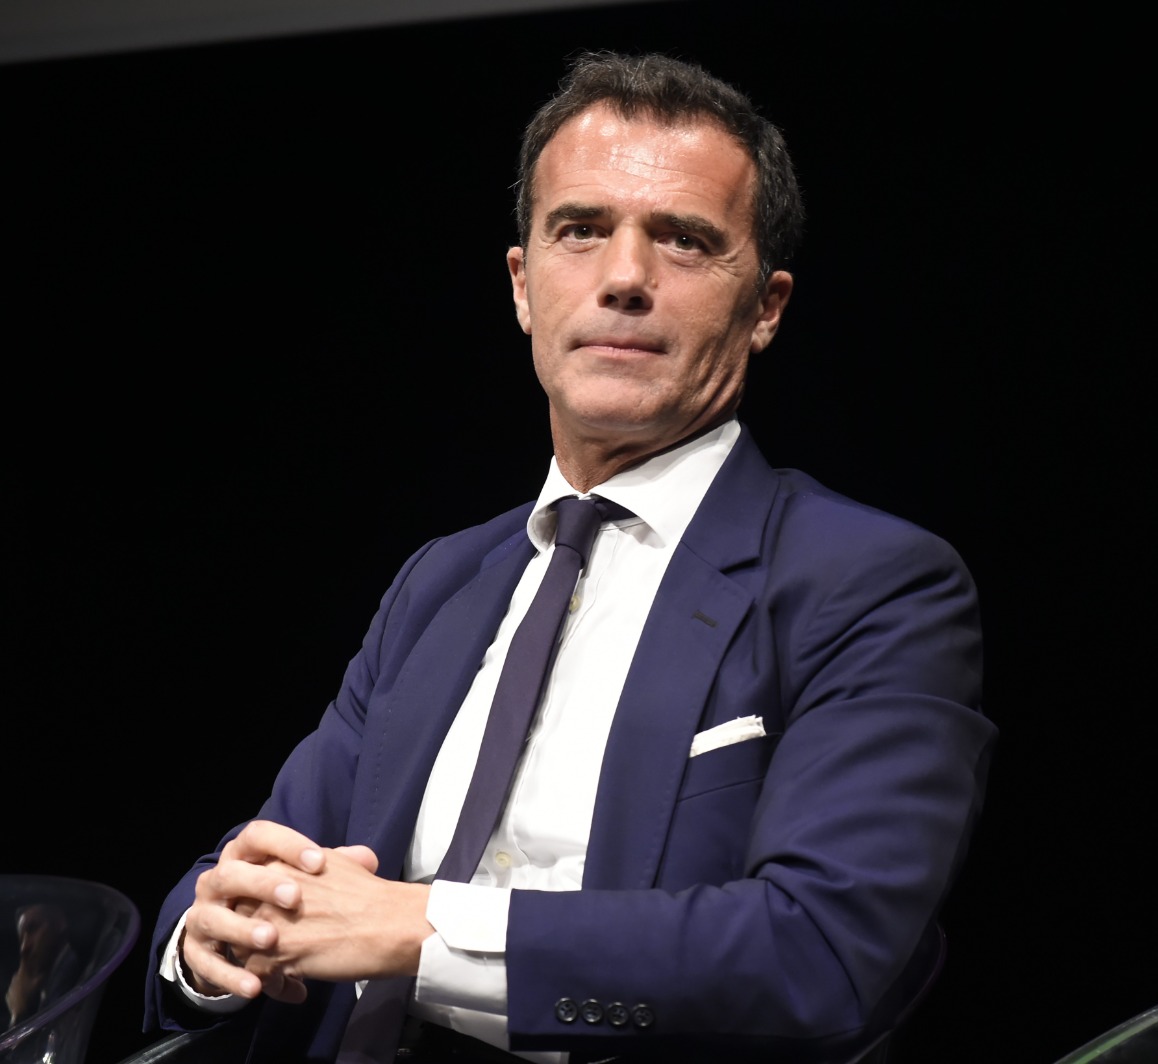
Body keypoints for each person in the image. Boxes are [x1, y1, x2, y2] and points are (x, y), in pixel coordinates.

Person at [143, 50, 995, 1064]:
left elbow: (820, 949)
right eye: (581, 230)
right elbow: (265, 861)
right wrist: (208, 942)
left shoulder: (871, 583)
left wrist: (422, 929)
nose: (624, 278)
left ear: (765, 308)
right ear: (523, 285)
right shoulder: (441, 581)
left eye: (683, 241)